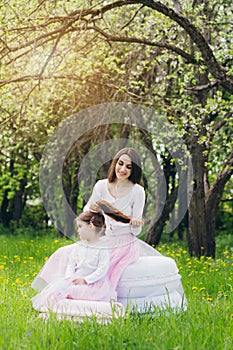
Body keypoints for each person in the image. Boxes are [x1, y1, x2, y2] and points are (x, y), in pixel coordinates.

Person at [31, 201, 131, 312]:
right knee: (54, 293)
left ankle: (75, 308)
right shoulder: (78, 247)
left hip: (93, 283)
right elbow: (71, 264)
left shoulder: (102, 248)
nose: (78, 231)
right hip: (75, 279)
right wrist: (70, 277)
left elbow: (102, 270)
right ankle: (59, 308)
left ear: (91, 226)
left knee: (83, 294)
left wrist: (85, 280)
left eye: (80, 227)